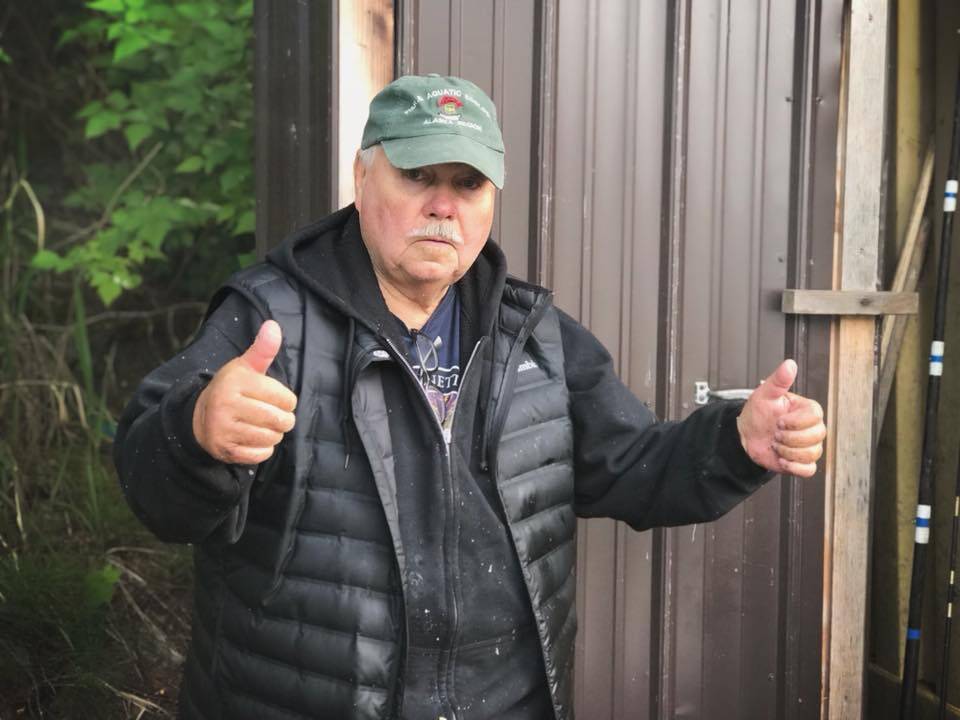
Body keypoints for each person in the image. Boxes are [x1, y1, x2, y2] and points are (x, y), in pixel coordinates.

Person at [114, 74, 826, 720]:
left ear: (493, 200)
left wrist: (736, 442)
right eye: (418, 175)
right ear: (362, 178)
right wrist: (198, 431)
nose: (443, 206)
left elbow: (637, 466)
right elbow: (156, 493)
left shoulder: (534, 337)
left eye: (468, 183)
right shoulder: (269, 321)